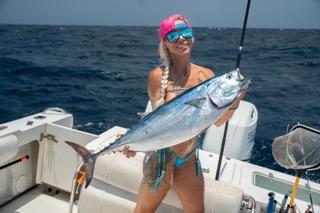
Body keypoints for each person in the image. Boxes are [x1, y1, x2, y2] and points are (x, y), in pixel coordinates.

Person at [122, 14, 214, 213]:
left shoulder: (206, 76)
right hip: (160, 156)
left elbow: (220, 121)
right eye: (173, 35)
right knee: (143, 210)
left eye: (186, 32)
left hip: (188, 157)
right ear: (165, 43)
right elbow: (156, 122)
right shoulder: (157, 76)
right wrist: (132, 143)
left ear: (192, 37)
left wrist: (234, 103)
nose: (181, 38)